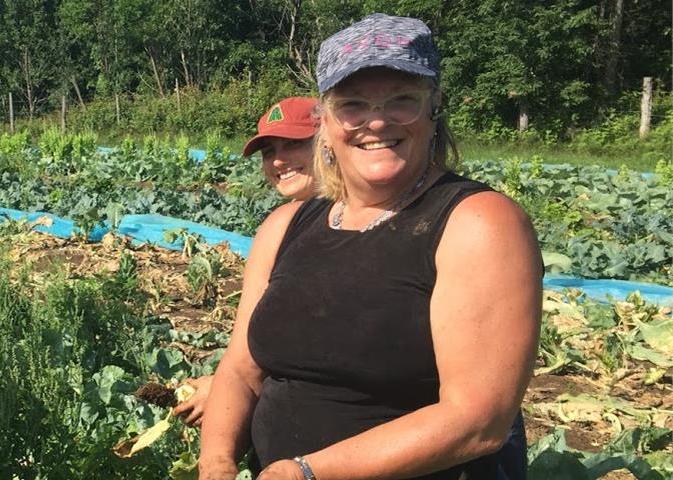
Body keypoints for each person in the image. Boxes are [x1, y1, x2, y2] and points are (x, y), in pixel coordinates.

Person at [198, 13, 540, 480]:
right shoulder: (286, 226)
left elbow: (478, 420)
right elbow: (241, 369)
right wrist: (216, 463)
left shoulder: (477, 223)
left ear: (434, 108)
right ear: (328, 122)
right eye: (353, 105)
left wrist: (304, 473)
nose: (376, 121)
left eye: (402, 101)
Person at [173, 96, 321, 427]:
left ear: (331, 142)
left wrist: (225, 387)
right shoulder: (282, 226)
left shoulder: (363, 228)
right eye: (270, 151)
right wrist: (227, 383)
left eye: (293, 144)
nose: (279, 161)